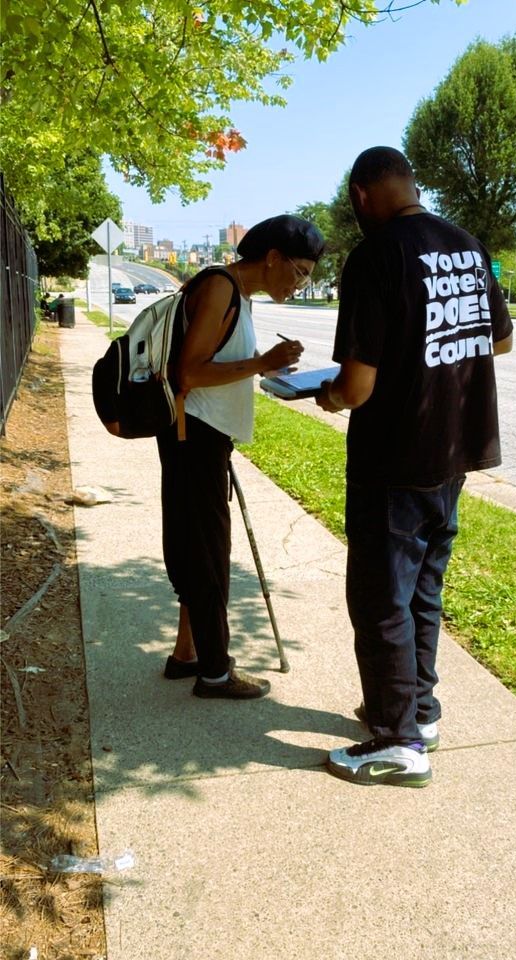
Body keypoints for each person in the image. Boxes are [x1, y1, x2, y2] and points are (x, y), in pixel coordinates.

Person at [316, 146, 513, 786]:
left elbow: (358, 387)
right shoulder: (466, 244)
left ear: (362, 194)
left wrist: (326, 394)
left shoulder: (376, 255)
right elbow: (501, 337)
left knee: (379, 600)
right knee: (422, 590)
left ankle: (397, 740)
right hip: (453, 451)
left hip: (393, 460)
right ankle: (417, 709)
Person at [159, 214, 325, 699]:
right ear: (272, 258)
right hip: (195, 439)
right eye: (298, 272)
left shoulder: (236, 293)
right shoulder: (219, 287)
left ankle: (186, 653)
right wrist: (262, 364)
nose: (299, 285)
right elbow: (189, 373)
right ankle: (214, 673)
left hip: (205, 436)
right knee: (208, 556)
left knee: (196, 549)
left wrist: (266, 372)